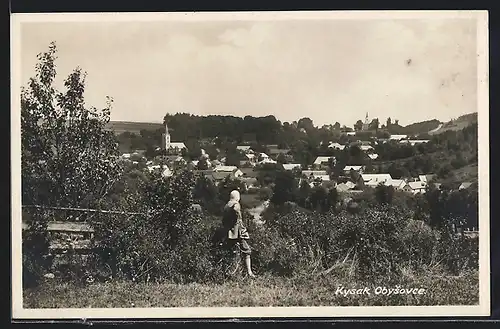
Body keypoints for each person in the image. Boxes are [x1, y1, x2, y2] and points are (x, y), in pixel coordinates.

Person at [222, 190, 256, 278]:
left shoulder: (226, 205)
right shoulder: (235, 204)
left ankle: (228, 271)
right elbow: (236, 209)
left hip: (229, 233)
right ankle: (249, 272)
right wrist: (237, 216)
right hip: (238, 233)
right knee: (247, 251)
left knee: (229, 252)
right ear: (238, 197)